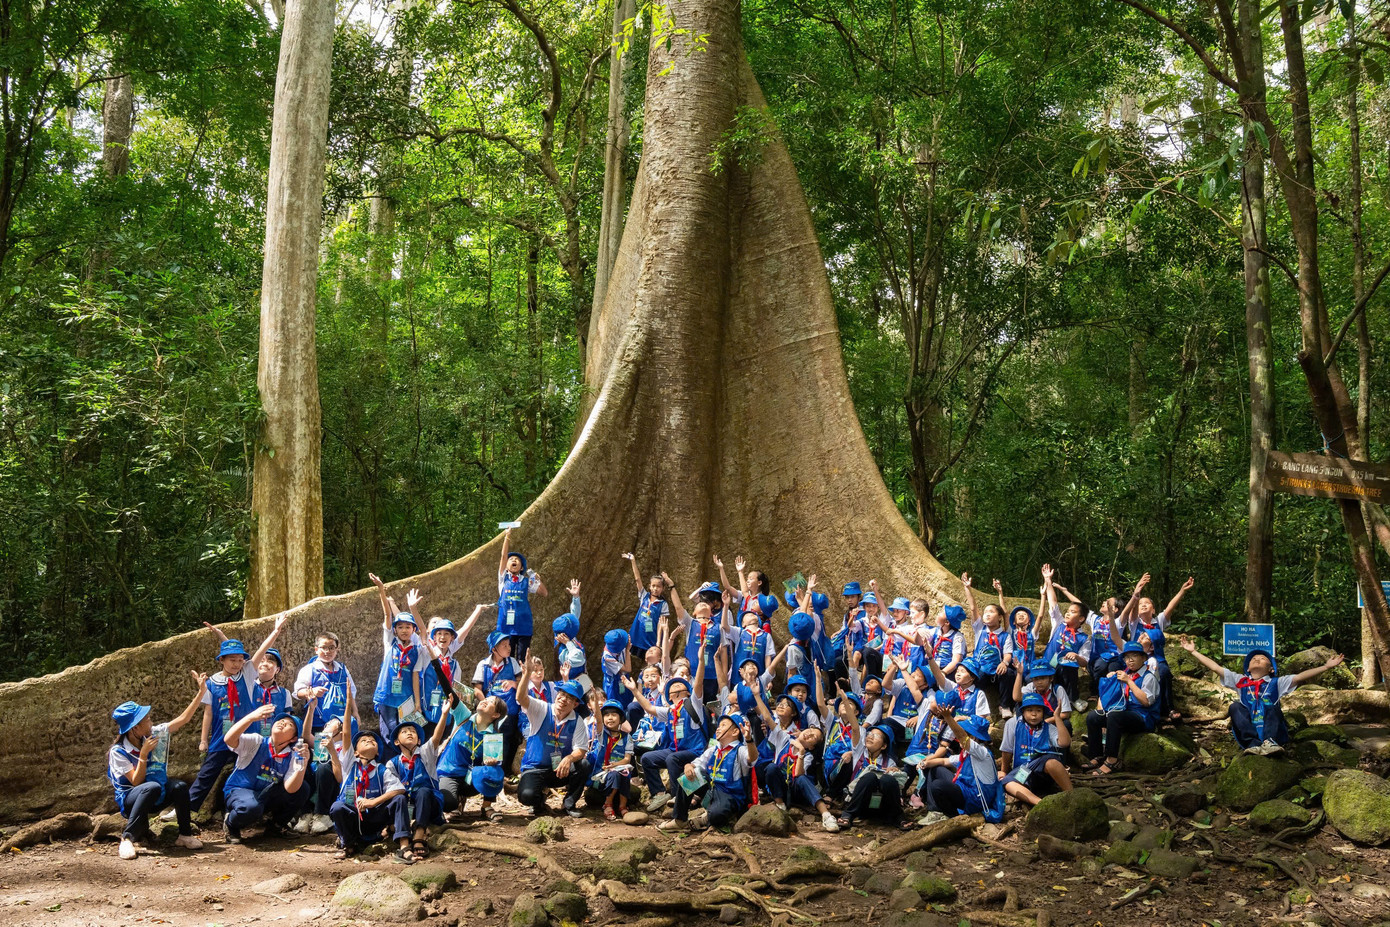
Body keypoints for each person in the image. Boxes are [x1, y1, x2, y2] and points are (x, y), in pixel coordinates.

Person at [191, 616, 290, 813]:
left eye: (240, 660)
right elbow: (208, 713)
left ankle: (248, 809)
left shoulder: (246, 676)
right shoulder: (211, 683)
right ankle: (186, 809)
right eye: (232, 660)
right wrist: (203, 740)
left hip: (247, 735)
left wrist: (276, 631)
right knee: (207, 774)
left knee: (252, 772)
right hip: (221, 737)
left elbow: (261, 650)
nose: (236, 664)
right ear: (221, 660)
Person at [1180, 638, 1345, 754]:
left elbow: (1300, 677)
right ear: (1248, 668)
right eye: (1253, 658)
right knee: (1235, 706)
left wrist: (1326, 667)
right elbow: (1216, 668)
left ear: (1271, 669)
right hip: (1250, 727)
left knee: (1272, 706)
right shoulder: (1240, 681)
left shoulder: (1277, 682)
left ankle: (1270, 742)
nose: (1257, 659)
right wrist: (1193, 652)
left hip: (1272, 729)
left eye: (1262, 658)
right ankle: (1252, 744)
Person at [107, 674, 208, 860]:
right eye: (146, 720)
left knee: (179, 786)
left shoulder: (153, 735)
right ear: (134, 728)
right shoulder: (118, 751)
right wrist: (144, 755)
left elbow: (183, 719)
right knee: (151, 787)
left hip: (156, 793)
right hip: (132, 800)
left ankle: (185, 835)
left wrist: (201, 692)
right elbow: (136, 782)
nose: (151, 722)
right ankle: (127, 838)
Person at [292, 630, 359, 835]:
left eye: (331, 648)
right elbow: (298, 691)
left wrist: (356, 715)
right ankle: (305, 812)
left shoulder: (343, 669)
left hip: (340, 726)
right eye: (324, 647)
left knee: (329, 766)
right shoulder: (310, 669)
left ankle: (323, 812)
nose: (327, 651)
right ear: (316, 649)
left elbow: (351, 695)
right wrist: (311, 692)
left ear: (337, 649)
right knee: (306, 764)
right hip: (317, 725)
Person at [221, 702, 313, 843]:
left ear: (294, 739)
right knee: (251, 807)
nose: (282, 723)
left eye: (289, 724)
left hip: (265, 795)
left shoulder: (292, 756)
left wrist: (303, 764)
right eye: (280, 720)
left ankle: (276, 825)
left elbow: (291, 788)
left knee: (303, 788)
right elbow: (229, 739)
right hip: (240, 790)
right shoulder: (257, 741)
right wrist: (251, 717)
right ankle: (231, 824)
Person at [629, 661, 709, 813]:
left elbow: (698, 682)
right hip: (676, 750)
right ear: (670, 696)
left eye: (680, 684)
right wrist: (634, 690)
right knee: (647, 758)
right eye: (672, 685)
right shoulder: (670, 711)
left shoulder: (694, 705)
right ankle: (659, 794)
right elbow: (649, 708)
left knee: (672, 759)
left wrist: (700, 660)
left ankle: (678, 796)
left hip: (695, 750)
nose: (677, 685)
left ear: (688, 692)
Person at [660, 710, 755, 832]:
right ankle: (679, 820)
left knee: (716, 816)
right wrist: (688, 766)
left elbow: (752, 758)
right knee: (687, 777)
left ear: (735, 732)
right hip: (712, 788)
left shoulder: (740, 750)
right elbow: (697, 763)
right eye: (719, 725)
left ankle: (710, 817)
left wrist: (749, 740)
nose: (718, 728)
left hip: (730, 795)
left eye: (723, 725)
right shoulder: (714, 749)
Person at [755, 692, 838, 831]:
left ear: (811, 747)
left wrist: (801, 753)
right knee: (771, 767)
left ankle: (826, 815)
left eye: (813, 737)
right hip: (780, 787)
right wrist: (756, 694)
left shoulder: (808, 755)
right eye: (810, 730)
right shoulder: (784, 738)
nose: (809, 733)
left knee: (802, 779)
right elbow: (768, 718)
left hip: (795, 789)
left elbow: (798, 774)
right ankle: (780, 805)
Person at [515, 676, 592, 817]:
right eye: (562, 694)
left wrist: (569, 758)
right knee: (526, 796)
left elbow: (581, 749)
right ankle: (539, 802)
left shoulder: (577, 721)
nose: (563, 699)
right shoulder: (542, 709)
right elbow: (521, 698)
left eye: (569, 697)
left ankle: (569, 804)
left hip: (560, 770)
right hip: (535, 768)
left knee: (584, 765)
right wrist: (526, 675)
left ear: (575, 704)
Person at [368, 576, 426, 758]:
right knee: (388, 734)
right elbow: (387, 615)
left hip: (406, 698)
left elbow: (416, 676)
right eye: (400, 627)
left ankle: (408, 763)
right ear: (394, 630)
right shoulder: (390, 643)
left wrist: (417, 703)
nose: (404, 630)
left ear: (413, 630)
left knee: (407, 733)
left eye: (408, 627)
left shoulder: (417, 650)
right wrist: (381, 589)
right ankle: (391, 765)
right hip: (387, 696)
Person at [382, 713, 451, 862]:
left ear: (419, 740)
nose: (409, 733)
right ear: (396, 742)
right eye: (404, 732)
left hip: (428, 804)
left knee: (423, 791)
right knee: (398, 797)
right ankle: (403, 840)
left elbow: (436, 737)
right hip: (406, 806)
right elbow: (391, 789)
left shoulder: (425, 754)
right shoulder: (392, 764)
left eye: (413, 732)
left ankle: (419, 834)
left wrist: (444, 714)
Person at [1126, 573, 1194, 722]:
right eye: (1141, 604)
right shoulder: (1134, 623)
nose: (1143, 605)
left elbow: (1170, 607)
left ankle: (1169, 708)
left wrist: (1182, 590)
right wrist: (1137, 592)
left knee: (1164, 672)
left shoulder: (1159, 621)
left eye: (1147, 603)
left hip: (1157, 658)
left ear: (1153, 610)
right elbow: (1132, 610)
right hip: (1138, 659)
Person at [1083, 642, 1158, 776]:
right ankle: (1096, 756)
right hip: (1123, 713)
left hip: (1142, 717)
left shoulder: (1148, 677)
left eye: (1134, 656)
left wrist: (1129, 681)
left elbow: (1146, 701)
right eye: (1127, 657)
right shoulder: (1124, 674)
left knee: (1114, 716)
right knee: (1094, 716)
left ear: (1143, 658)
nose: (1130, 660)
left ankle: (1112, 760)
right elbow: (1109, 698)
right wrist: (1111, 680)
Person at [920, 706, 1005, 823]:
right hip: (965, 788)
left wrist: (948, 718)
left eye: (965, 733)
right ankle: (934, 811)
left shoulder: (981, 752)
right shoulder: (966, 753)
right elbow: (944, 761)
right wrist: (925, 763)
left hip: (976, 798)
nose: (957, 738)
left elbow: (962, 738)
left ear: (973, 737)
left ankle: (954, 818)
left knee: (937, 786)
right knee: (935, 769)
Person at [438, 695, 509, 821]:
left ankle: (486, 807)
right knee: (447, 803)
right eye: (485, 699)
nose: (485, 701)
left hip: (472, 779)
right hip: (450, 773)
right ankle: (457, 801)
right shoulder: (464, 717)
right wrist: (444, 683)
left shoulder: (493, 736)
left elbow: (493, 766)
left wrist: (491, 762)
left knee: (494, 770)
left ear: (496, 715)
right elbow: (450, 693)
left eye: (491, 702)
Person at [327, 726, 394, 859]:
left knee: (397, 799)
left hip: (374, 818)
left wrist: (374, 802)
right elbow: (346, 734)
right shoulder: (349, 765)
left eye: (373, 741)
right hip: (353, 817)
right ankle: (348, 844)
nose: (369, 740)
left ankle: (388, 834)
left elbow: (399, 789)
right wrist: (348, 711)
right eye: (363, 740)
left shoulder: (382, 770)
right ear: (355, 752)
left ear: (377, 753)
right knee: (337, 807)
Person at [420, 604, 489, 728]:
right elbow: (420, 630)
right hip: (427, 707)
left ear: (452, 637)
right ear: (433, 636)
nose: (442, 636)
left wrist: (478, 610)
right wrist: (413, 607)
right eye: (439, 633)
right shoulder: (426, 651)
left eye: (446, 633)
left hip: (446, 709)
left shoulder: (453, 661)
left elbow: (465, 629)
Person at [999, 692, 1072, 806]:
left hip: (1044, 773)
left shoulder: (1049, 728)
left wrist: (1057, 718)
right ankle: (1040, 803)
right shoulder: (1013, 724)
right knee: (1007, 783)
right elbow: (1007, 750)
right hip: (1022, 771)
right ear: (1023, 711)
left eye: (1038, 711)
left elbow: (1064, 743)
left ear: (1043, 713)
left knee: (1052, 762)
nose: (1034, 714)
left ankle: (1072, 795)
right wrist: (1004, 771)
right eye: (1029, 710)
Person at [473, 630, 525, 775]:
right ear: (494, 649)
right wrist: (486, 704)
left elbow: (522, 682)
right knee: (491, 739)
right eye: (504, 645)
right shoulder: (483, 665)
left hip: (510, 710)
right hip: (492, 711)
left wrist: (513, 683)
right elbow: (477, 689)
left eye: (509, 645)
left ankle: (502, 773)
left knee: (507, 740)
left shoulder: (512, 662)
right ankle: (490, 773)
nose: (509, 648)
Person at [838, 723, 907, 830]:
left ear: (884, 746)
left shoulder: (889, 762)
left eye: (876, 736)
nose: (870, 737)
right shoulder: (858, 754)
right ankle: (848, 814)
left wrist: (894, 771)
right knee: (870, 777)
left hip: (882, 806)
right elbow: (855, 729)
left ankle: (898, 817)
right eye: (869, 734)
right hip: (860, 803)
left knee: (888, 779)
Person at [1039, 564, 1091, 705]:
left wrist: (1076, 656)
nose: (1067, 613)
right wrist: (1048, 580)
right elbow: (1053, 602)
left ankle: (1073, 699)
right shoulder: (1059, 623)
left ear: (1081, 619)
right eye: (1067, 611)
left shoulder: (1084, 639)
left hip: (1066, 671)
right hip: (1048, 664)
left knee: (1069, 667)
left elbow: (1084, 661)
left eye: (1072, 612)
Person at [497, 526, 549, 663]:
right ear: (506, 565)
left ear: (521, 567)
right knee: (506, 659)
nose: (514, 560)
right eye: (511, 559)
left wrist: (537, 580)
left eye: (517, 559)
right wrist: (507, 536)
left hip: (523, 626)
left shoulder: (527, 581)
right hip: (506, 626)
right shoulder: (503, 579)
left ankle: (522, 677)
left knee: (522, 661)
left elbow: (544, 593)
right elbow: (503, 556)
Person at [667, 572, 723, 696]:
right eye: (699, 604)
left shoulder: (718, 627)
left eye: (705, 603)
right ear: (694, 613)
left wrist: (722, 680)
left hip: (712, 675)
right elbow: (678, 607)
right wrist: (672, 586)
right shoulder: (691, 623)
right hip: (692, 674)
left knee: (709, 705)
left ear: (711, 612)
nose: (702, 603)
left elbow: (723, 654)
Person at [588, 699, 636, 821]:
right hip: (601, 775)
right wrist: (595, 697)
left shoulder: (627, 738)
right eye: (607, 715)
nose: (610, 718)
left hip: (617, 769)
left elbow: (627, 759)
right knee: (614, 774)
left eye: (614, 715)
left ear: (621, 719)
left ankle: (622, 806)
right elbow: (598, 719)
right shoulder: (601, 734)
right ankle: (608, 804)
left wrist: (615, 765)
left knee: (624, 773)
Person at [622, 552, 670, 661]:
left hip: (650, 640)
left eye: (658, 586)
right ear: (649, 586)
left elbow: (661, 624)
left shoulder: (663, 604)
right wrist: (633, 561)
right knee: (629, 657)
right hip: (636, 637)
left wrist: (658, 642)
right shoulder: (644, 596)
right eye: (653, 586)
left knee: (649, 661)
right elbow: (637, 579)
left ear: (663, 588)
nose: (655, 589)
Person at [998, 604, 1036, 716]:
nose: (1021, 615)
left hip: (1029, 667)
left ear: (1029, 622)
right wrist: (1000, 595)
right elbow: (1005, 613)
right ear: (1013, 622)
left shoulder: (1032, 634)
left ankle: (1027, 706)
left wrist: (1043, 597)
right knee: (1010, 676)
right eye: (1018, 614)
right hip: (1015, 666)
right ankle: (1006, 706)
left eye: (1024, 614)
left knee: (1031, 680)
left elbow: (1040, 616)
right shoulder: (1011, 632)